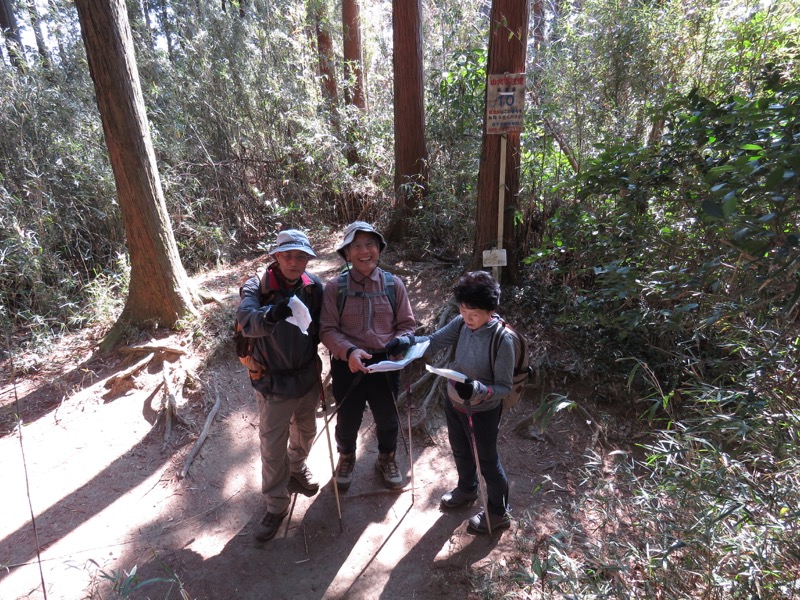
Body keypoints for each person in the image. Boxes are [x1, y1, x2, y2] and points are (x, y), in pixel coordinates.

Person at [236, 229, 324, 542]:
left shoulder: (313, 286)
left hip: (306, 376)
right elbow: (246, 321)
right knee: (273, 446)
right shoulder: (256, 286)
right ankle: (276, 504)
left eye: (301, 256)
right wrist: (272, 312)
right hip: (272, 379)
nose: (294, 261)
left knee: (307, 431)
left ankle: (297, 467)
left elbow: (325, 326)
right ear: (276, 256)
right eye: (288, 255)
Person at [320, 221, 417, 491]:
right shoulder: (335, 288)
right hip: (347, 364)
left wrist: (400, 342)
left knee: (387, 418)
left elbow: (408, 324)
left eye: (370, 245)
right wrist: (349, 351)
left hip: (386, 364)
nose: (365, 251)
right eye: (357, 246)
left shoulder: (393, 284)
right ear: (347, 254)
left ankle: (386, 458)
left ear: (379, 249)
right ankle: (346, 457)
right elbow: (327, 329)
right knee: (348, 419)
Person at [414, 271, 513, 534]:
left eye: (474, 314)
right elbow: (433, 342)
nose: (467, 318)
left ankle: (498, 512)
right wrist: (407, 343)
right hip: (455, 402)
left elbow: (504, 387)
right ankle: (467, 489)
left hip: (483, 411)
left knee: (487, 461)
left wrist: (478, 389)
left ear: (491, 311)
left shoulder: (502, 340)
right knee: (460, 449)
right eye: (462, 310)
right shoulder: (460, 323)